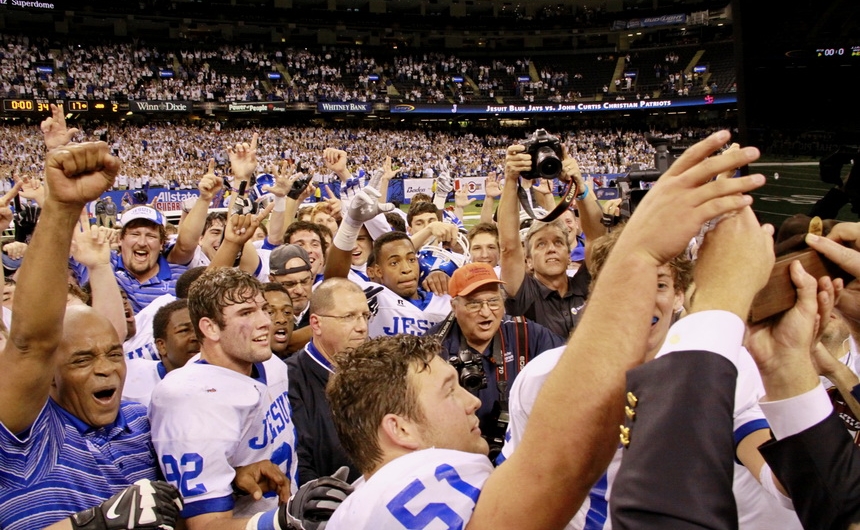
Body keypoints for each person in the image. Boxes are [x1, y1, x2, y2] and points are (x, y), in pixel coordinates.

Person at [324, 131, 768, 529]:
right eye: (448, 390)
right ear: (399, 428)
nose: (473, 398)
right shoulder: (415, 483)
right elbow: (564, 473)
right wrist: (717, 307)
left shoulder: (391, 493)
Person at [0, 141, 181, 530]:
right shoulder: (25, 431)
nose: (106, 370)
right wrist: (61, 209)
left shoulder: (143, 419)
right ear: (47, 375)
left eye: (114, 355)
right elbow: (31, 343)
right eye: (82, 359)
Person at [149, 266, 299, 527]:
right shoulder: (189, 398)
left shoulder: (269, 363)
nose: (265, 321)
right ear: (210, 328)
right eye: (246, 313)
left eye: (263, 308)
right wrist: (281, 522)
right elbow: (206, 525)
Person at [430, 262, 564, 460]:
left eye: (493, 302)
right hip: (455, 457)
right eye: (474, 303)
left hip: (521, 453)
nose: (486, 312)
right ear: (454, 306)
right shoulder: (432, 348)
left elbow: (571, 370)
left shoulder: (525, 333)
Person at [497, 139, 605, 338]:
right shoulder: (524, 293)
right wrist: (511, 179)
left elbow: (597, 238)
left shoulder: (584, 284)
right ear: (527, 260)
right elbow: (508, 247)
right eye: (541, 244)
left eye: (558, 242)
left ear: (570, 254)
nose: (551, 249)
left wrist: (579, 185)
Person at [287, 278, 368, 487]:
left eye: (365, 316)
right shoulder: (289, 379)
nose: (362, 327)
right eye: (349, 317)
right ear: (316, 323)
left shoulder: (374, 370)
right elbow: (298, 464)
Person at [122, 299, 200, 408]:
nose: (196, 337)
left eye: (200, 329)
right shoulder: (129, 380)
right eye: (184, 330)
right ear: (161, 346)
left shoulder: (224, 380)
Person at [268, 244, 315, 354]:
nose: (299, 290)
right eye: (290, 284)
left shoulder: (325, 309)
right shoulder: (260, 313)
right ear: (272, 280)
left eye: (305, 282)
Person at [262, 282, 295, 359]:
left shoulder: (301, 365)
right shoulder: (246, 367)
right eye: (270, 312)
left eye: (287, 312)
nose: (282, 319)